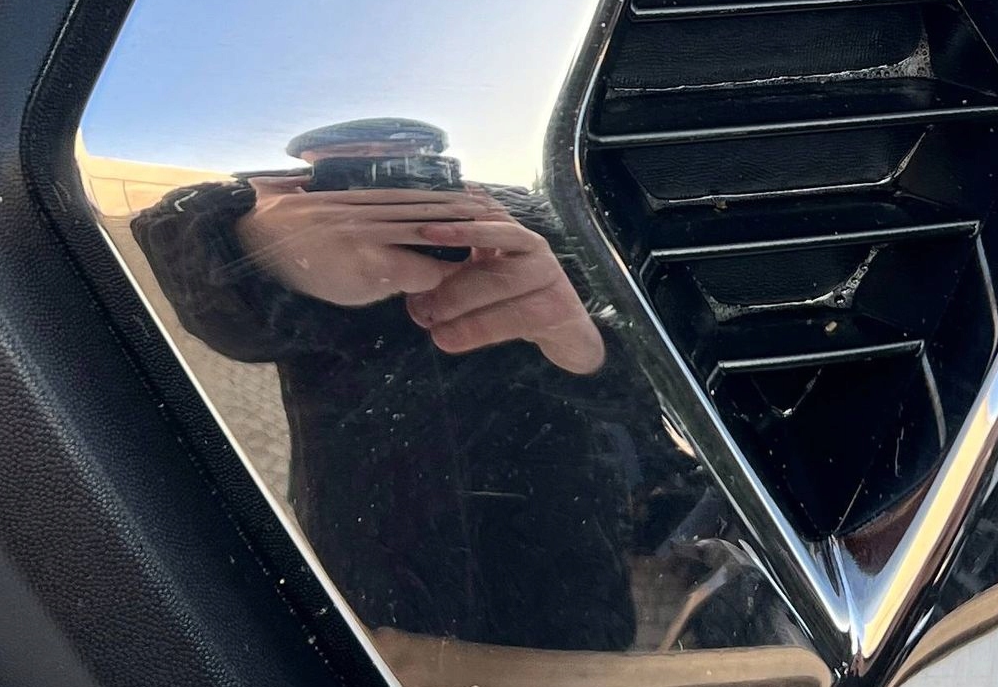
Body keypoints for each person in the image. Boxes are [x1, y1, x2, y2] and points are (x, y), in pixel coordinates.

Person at [132, 119, 649, 651]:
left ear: (440, 163)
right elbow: (176, 242)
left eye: (404, 162)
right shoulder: (268, 214)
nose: (380, 179)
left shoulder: (521, 215)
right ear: (306, 175)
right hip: (374, 568)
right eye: (349, 168)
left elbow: (649, 394)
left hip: (565, 568)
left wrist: (587, 347)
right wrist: (254, 246)